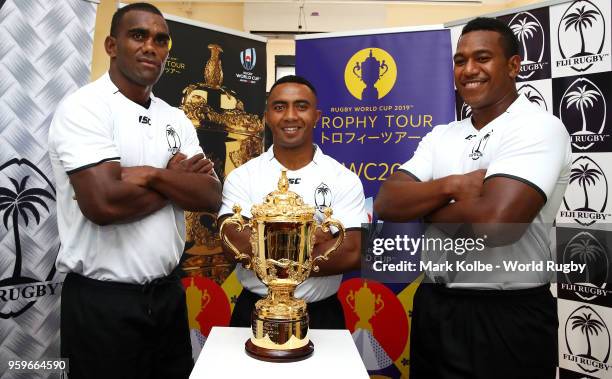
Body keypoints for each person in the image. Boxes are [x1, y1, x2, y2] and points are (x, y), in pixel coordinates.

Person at [374, 17, 571, 379]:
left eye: (482, 58)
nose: (469, 70)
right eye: (460, 60)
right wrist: (452, 187)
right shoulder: (442, 135)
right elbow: (387, 202)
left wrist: (427, 211)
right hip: (436, 307)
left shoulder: (536, 126)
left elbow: (498, 224)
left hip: (506, 315)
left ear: (513, 66)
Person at [48, 3, 222, 378]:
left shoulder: (175, 118)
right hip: (103, 304)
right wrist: (174, 179)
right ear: (112, 45)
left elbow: (209, 196)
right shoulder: (85, 108)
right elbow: (103, 204)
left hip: (168, 297)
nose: (150, 47)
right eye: (138, 35)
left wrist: (147, 176)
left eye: (160, 40)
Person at [219, 75, 367, 329]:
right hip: (254, 310)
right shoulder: (243, 176)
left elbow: (352, 252)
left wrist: (266, 237)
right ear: (267, 116)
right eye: (279, 107)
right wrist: (312, 235)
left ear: (316, 116)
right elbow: (232, 242)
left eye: (301, 106)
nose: (290, 115)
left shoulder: (344, 178)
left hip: (321, 314)